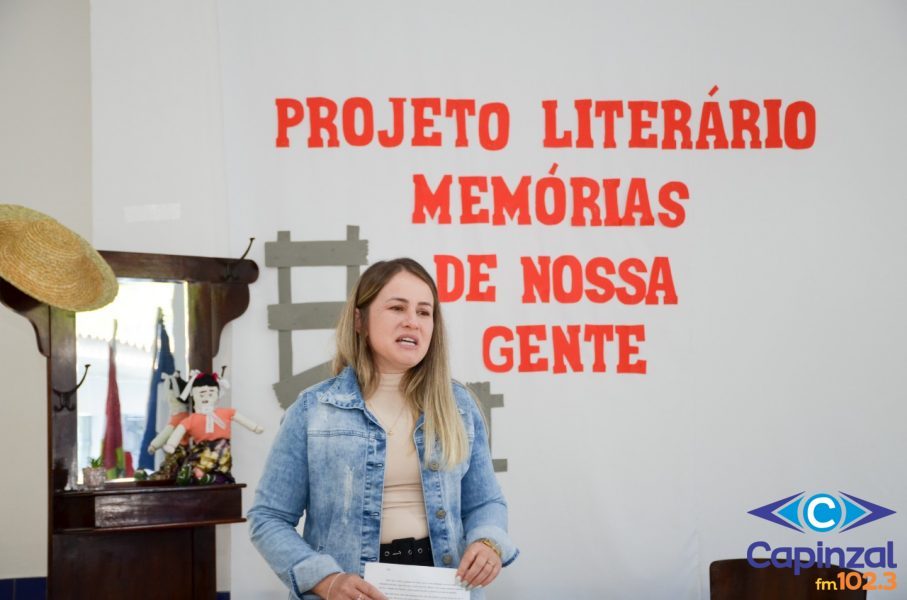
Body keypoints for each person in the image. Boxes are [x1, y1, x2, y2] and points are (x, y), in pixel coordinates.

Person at [249, 258, 517, 600]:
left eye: (424, 312)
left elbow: (486, 501)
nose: (412, 321)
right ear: (359, 321)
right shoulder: (313, 409)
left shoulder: (459, 405)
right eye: (397, 308)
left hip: (443, 586)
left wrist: (488, 541)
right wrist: (325, 579)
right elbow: (268, 518)